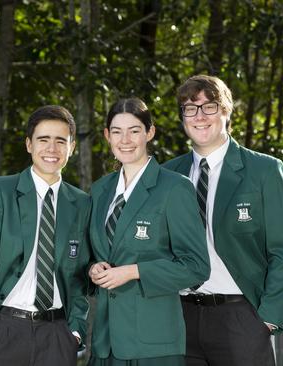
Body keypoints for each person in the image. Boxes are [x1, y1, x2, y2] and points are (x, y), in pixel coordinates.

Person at [163, 75, 283, 366]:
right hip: (179, 317)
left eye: (209, 107)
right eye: (190, 108)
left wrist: (268, 319)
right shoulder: (167, 175)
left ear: (226, 111)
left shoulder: (263, 170)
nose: (199, 116)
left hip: (241, 318)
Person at [88, 98, 210, 366]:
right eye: (117, 131)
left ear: (149, 132)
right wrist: (94, 268)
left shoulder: (174, 188)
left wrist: (134, 271)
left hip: (153, 345)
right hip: (105, 342)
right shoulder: (100, 190)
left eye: (134, 130)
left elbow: (197, 266)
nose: (125, 139)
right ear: (107, 136)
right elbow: (94, 253)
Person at [0, 105, 91, 366]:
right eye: (43, 140)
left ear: (72, 148)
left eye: (61, 141)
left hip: (57, 336)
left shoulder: (81, 204)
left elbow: (79, 274)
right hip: (3, 332)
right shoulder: (1, 191)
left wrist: (75, 330)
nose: (52, 149)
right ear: (28, 144)